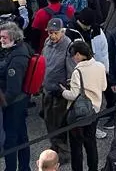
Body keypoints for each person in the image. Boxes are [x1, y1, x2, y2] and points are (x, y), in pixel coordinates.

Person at [62, 40, 106, 171]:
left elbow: (74, 95)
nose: (73, 58)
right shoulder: (100, 66)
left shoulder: (78, 72)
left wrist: (63, 91)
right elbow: (104, 86)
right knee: (91, 143)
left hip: (79, 113)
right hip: (95, 109)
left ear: (79, 55)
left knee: (76, 146)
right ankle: (93, 168)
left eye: (74, 55)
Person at [41, 18, 75, 165]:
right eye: (50, 32)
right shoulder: (47, 43)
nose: (52, 36)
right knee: (49, 121)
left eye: (55, 33)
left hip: (60, 93)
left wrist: (66, 89)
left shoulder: (68, 46)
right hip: (47, 90)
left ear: (62, 32)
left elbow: (71, 71)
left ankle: (63, 153)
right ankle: (55, 146)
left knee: (59, 124)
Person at [0, 22, 32, 171]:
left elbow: (13, 89)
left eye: (4, 37)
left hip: (14, 103)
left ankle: (11, 168)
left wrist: (2, 103)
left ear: (13, 37)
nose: (1, 40)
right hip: (20, 101)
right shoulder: (19, 49)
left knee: (11, 140)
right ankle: (25, 167)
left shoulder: (18, 58)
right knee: (21, 136)